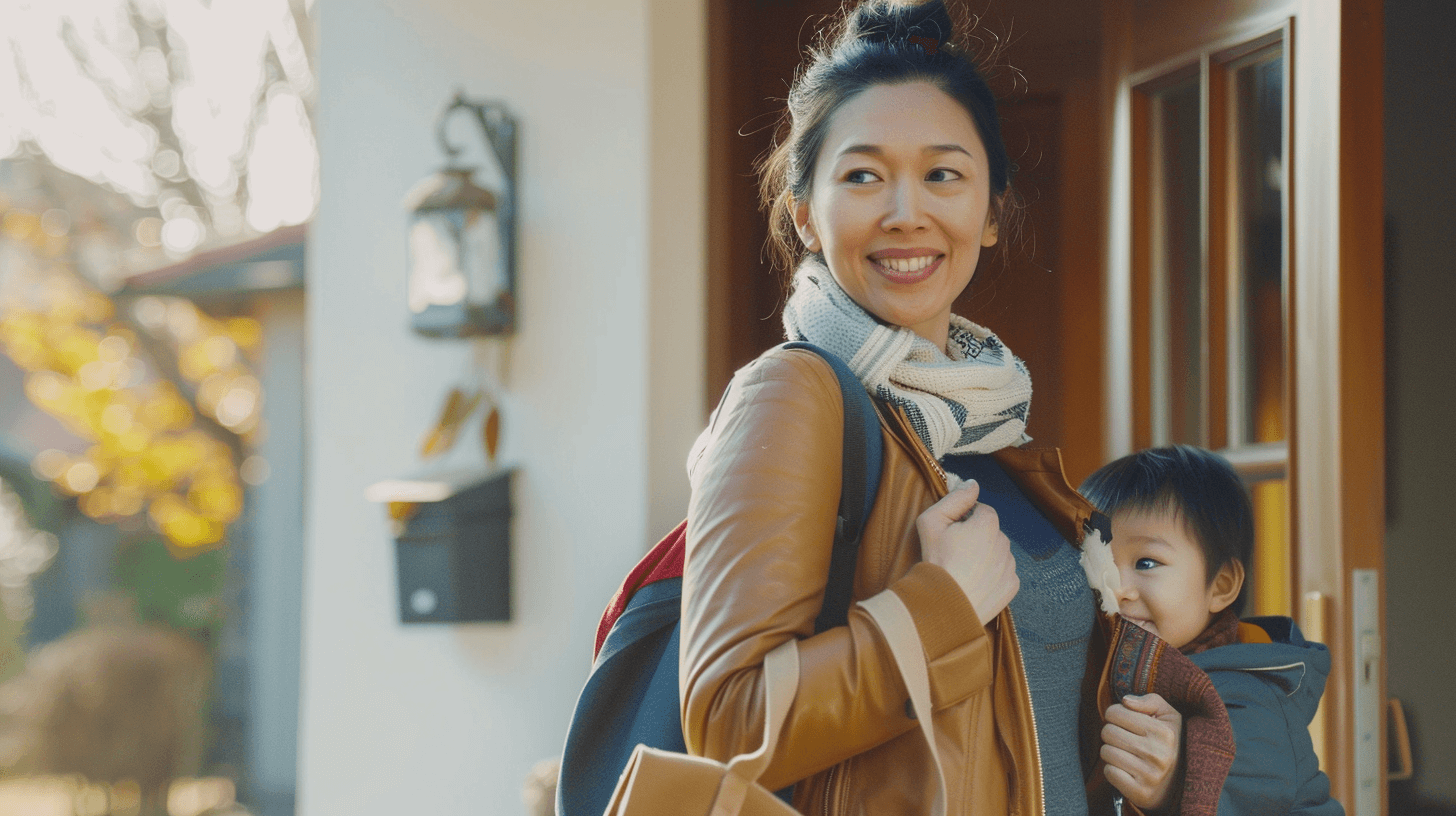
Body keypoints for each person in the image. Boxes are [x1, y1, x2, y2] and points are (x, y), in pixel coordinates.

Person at [678, 2, 1225, 813]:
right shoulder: (794, 396)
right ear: (805, 215)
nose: (907, 212)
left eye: (943, 174)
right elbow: (726, 721)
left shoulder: (993, 429)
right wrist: (941, 607)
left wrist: (1154, 772)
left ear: (992, 211)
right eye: (862, 175)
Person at [1080, 445, 1343, 816]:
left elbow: (1248, 792)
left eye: (1147, 562)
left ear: (1220, 586)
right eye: (1098, 561)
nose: (1117, 588)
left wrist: (1173, 786)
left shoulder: (1253, 698)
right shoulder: (1102, 669)